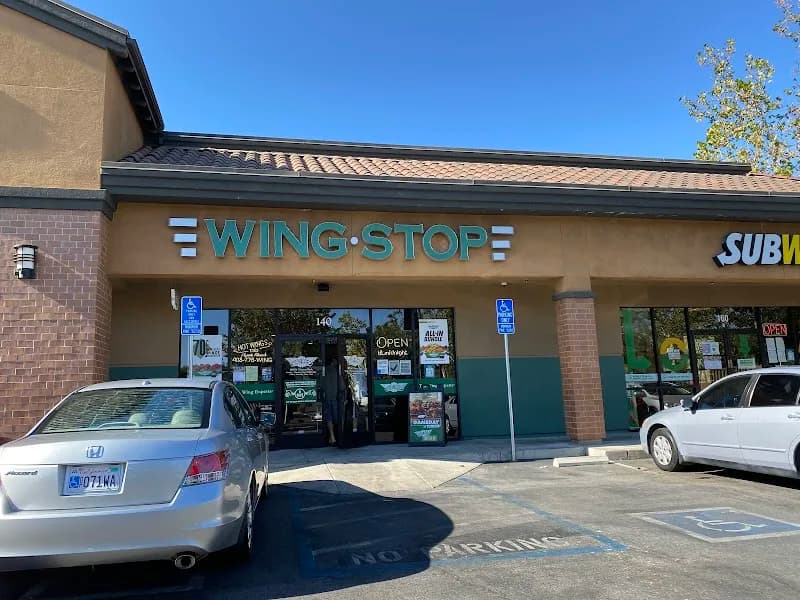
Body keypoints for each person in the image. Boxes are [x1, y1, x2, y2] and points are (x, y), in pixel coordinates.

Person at [322, 357, 344, 445]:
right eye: (335, 361)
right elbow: (342, 387)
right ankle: (339, 436)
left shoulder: (323, 372)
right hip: (335, 398)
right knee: (338, 417)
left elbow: (319, 385)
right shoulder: (337, 372)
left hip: (326, 398)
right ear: (333, 362)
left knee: (329, 418)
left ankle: (332, 436)